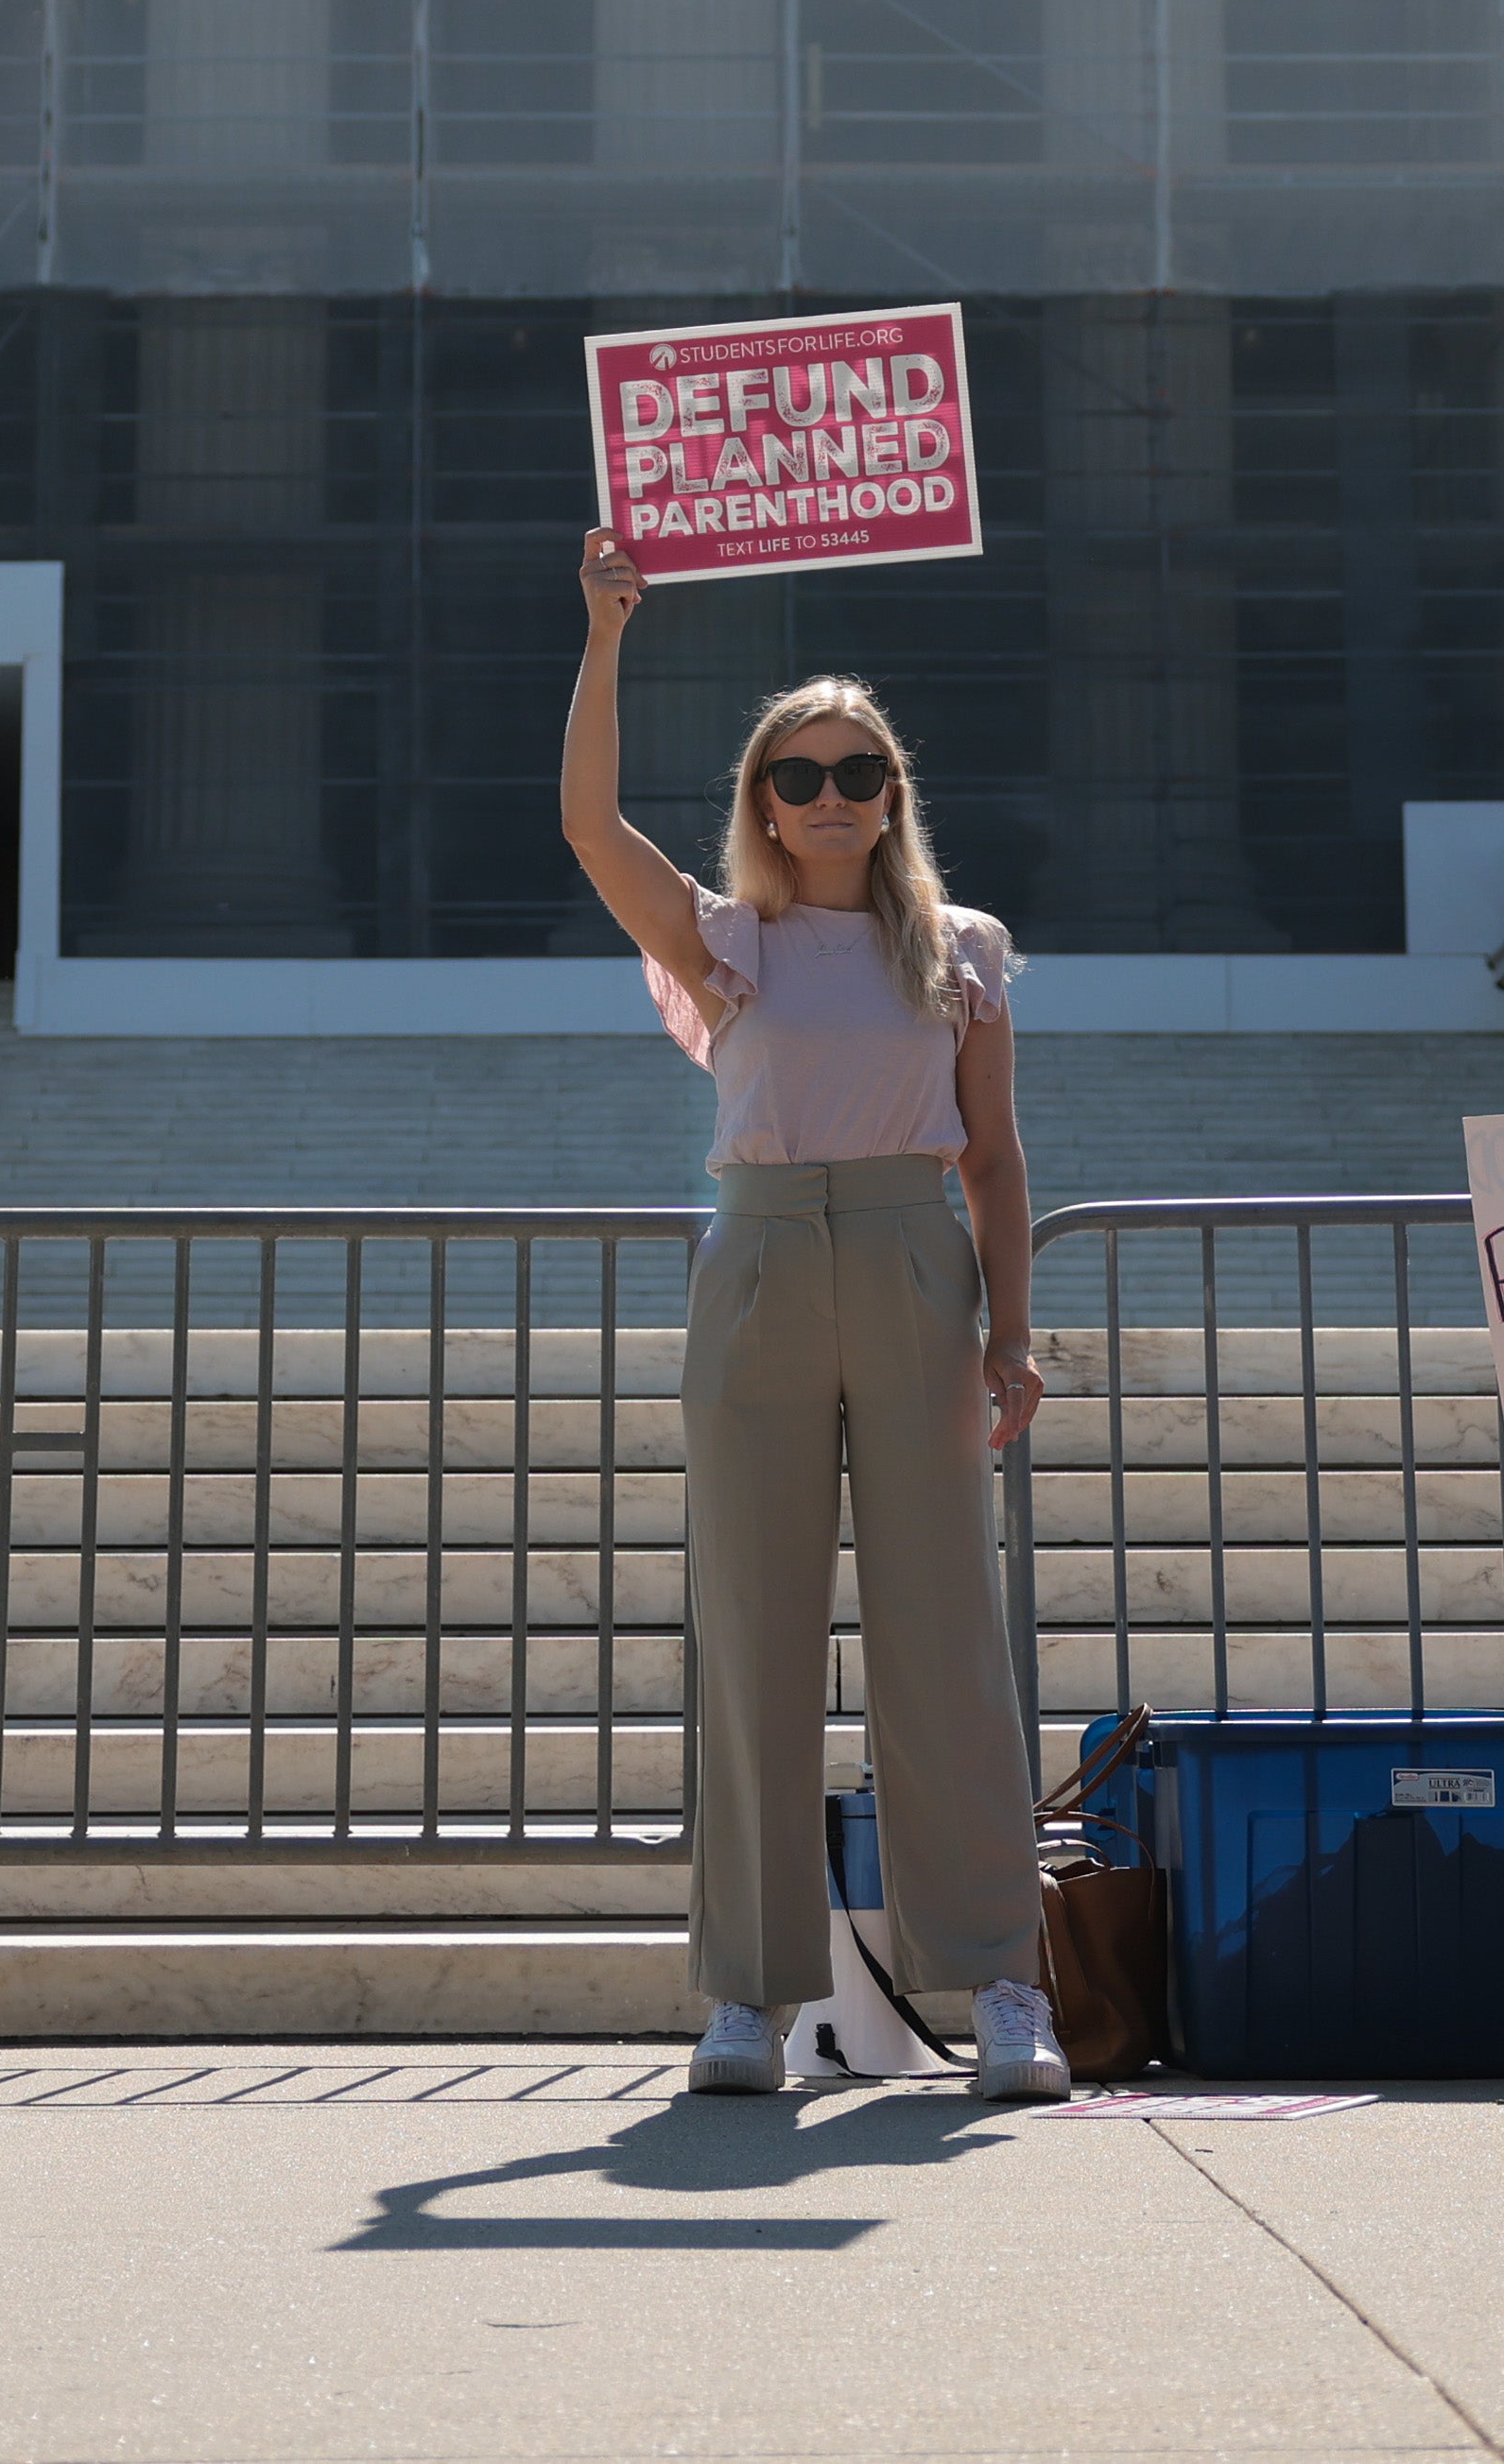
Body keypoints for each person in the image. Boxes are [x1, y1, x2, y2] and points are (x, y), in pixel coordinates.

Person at [561, 528, 1065, 2104]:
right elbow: (588, 823)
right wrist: (606, 631)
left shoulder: (959, 948)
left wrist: (1011, 1325)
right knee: (756, 1634)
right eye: (799, 773)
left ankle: (1001, 1983)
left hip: (917, 1262)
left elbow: (992, 1150)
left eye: (859, 769)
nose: (831, 794)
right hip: (764, 1262)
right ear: (764, 797)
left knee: (946, 1641)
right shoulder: (727, 938)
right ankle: (748, 1999)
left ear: (893, 792)